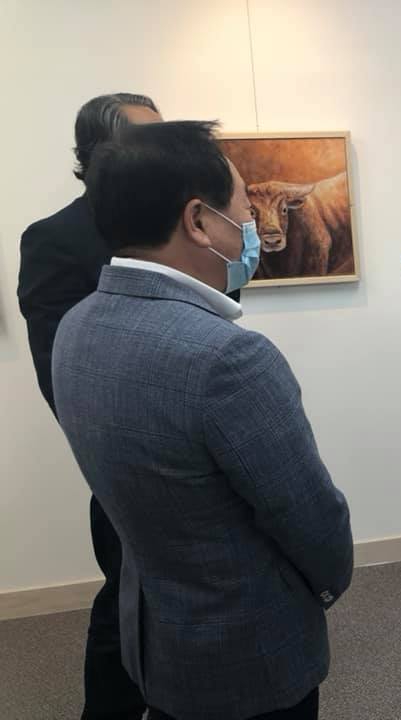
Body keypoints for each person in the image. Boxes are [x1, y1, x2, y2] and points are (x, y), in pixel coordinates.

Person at [52, 120, 353, 720]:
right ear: (198, 220)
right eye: (242, 207)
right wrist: (329, 584)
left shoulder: (77, 326)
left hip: (154, 640)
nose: (250, 223)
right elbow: (311, 519)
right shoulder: (228, 357)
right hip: (248, 654)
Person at [17, 92, 161, 720]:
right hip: (127, 458)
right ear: (104, 153)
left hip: (198, 444)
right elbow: (60, 373)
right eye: (151, 138)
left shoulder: (172, 224)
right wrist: (122, 448)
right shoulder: (55, 239)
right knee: (126, 602)